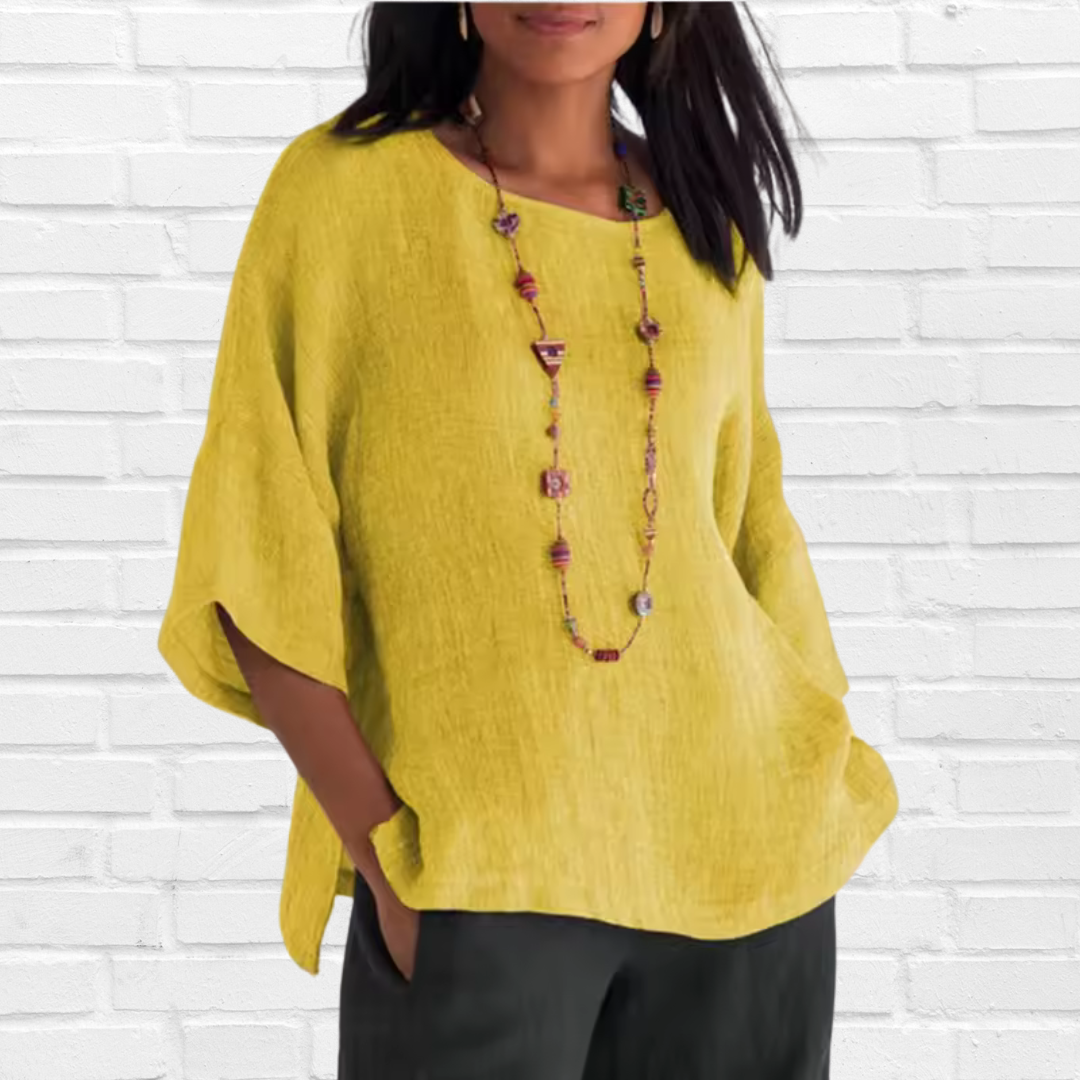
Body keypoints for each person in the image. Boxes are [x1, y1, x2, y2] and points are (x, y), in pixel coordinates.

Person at [157, 3, 900, 1077]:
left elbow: (747, 527)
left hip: (747, 869)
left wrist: (816, 755)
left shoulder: (708, 222)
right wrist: (390, 866)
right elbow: (254, 554)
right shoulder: (341, 199)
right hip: (481, 885)